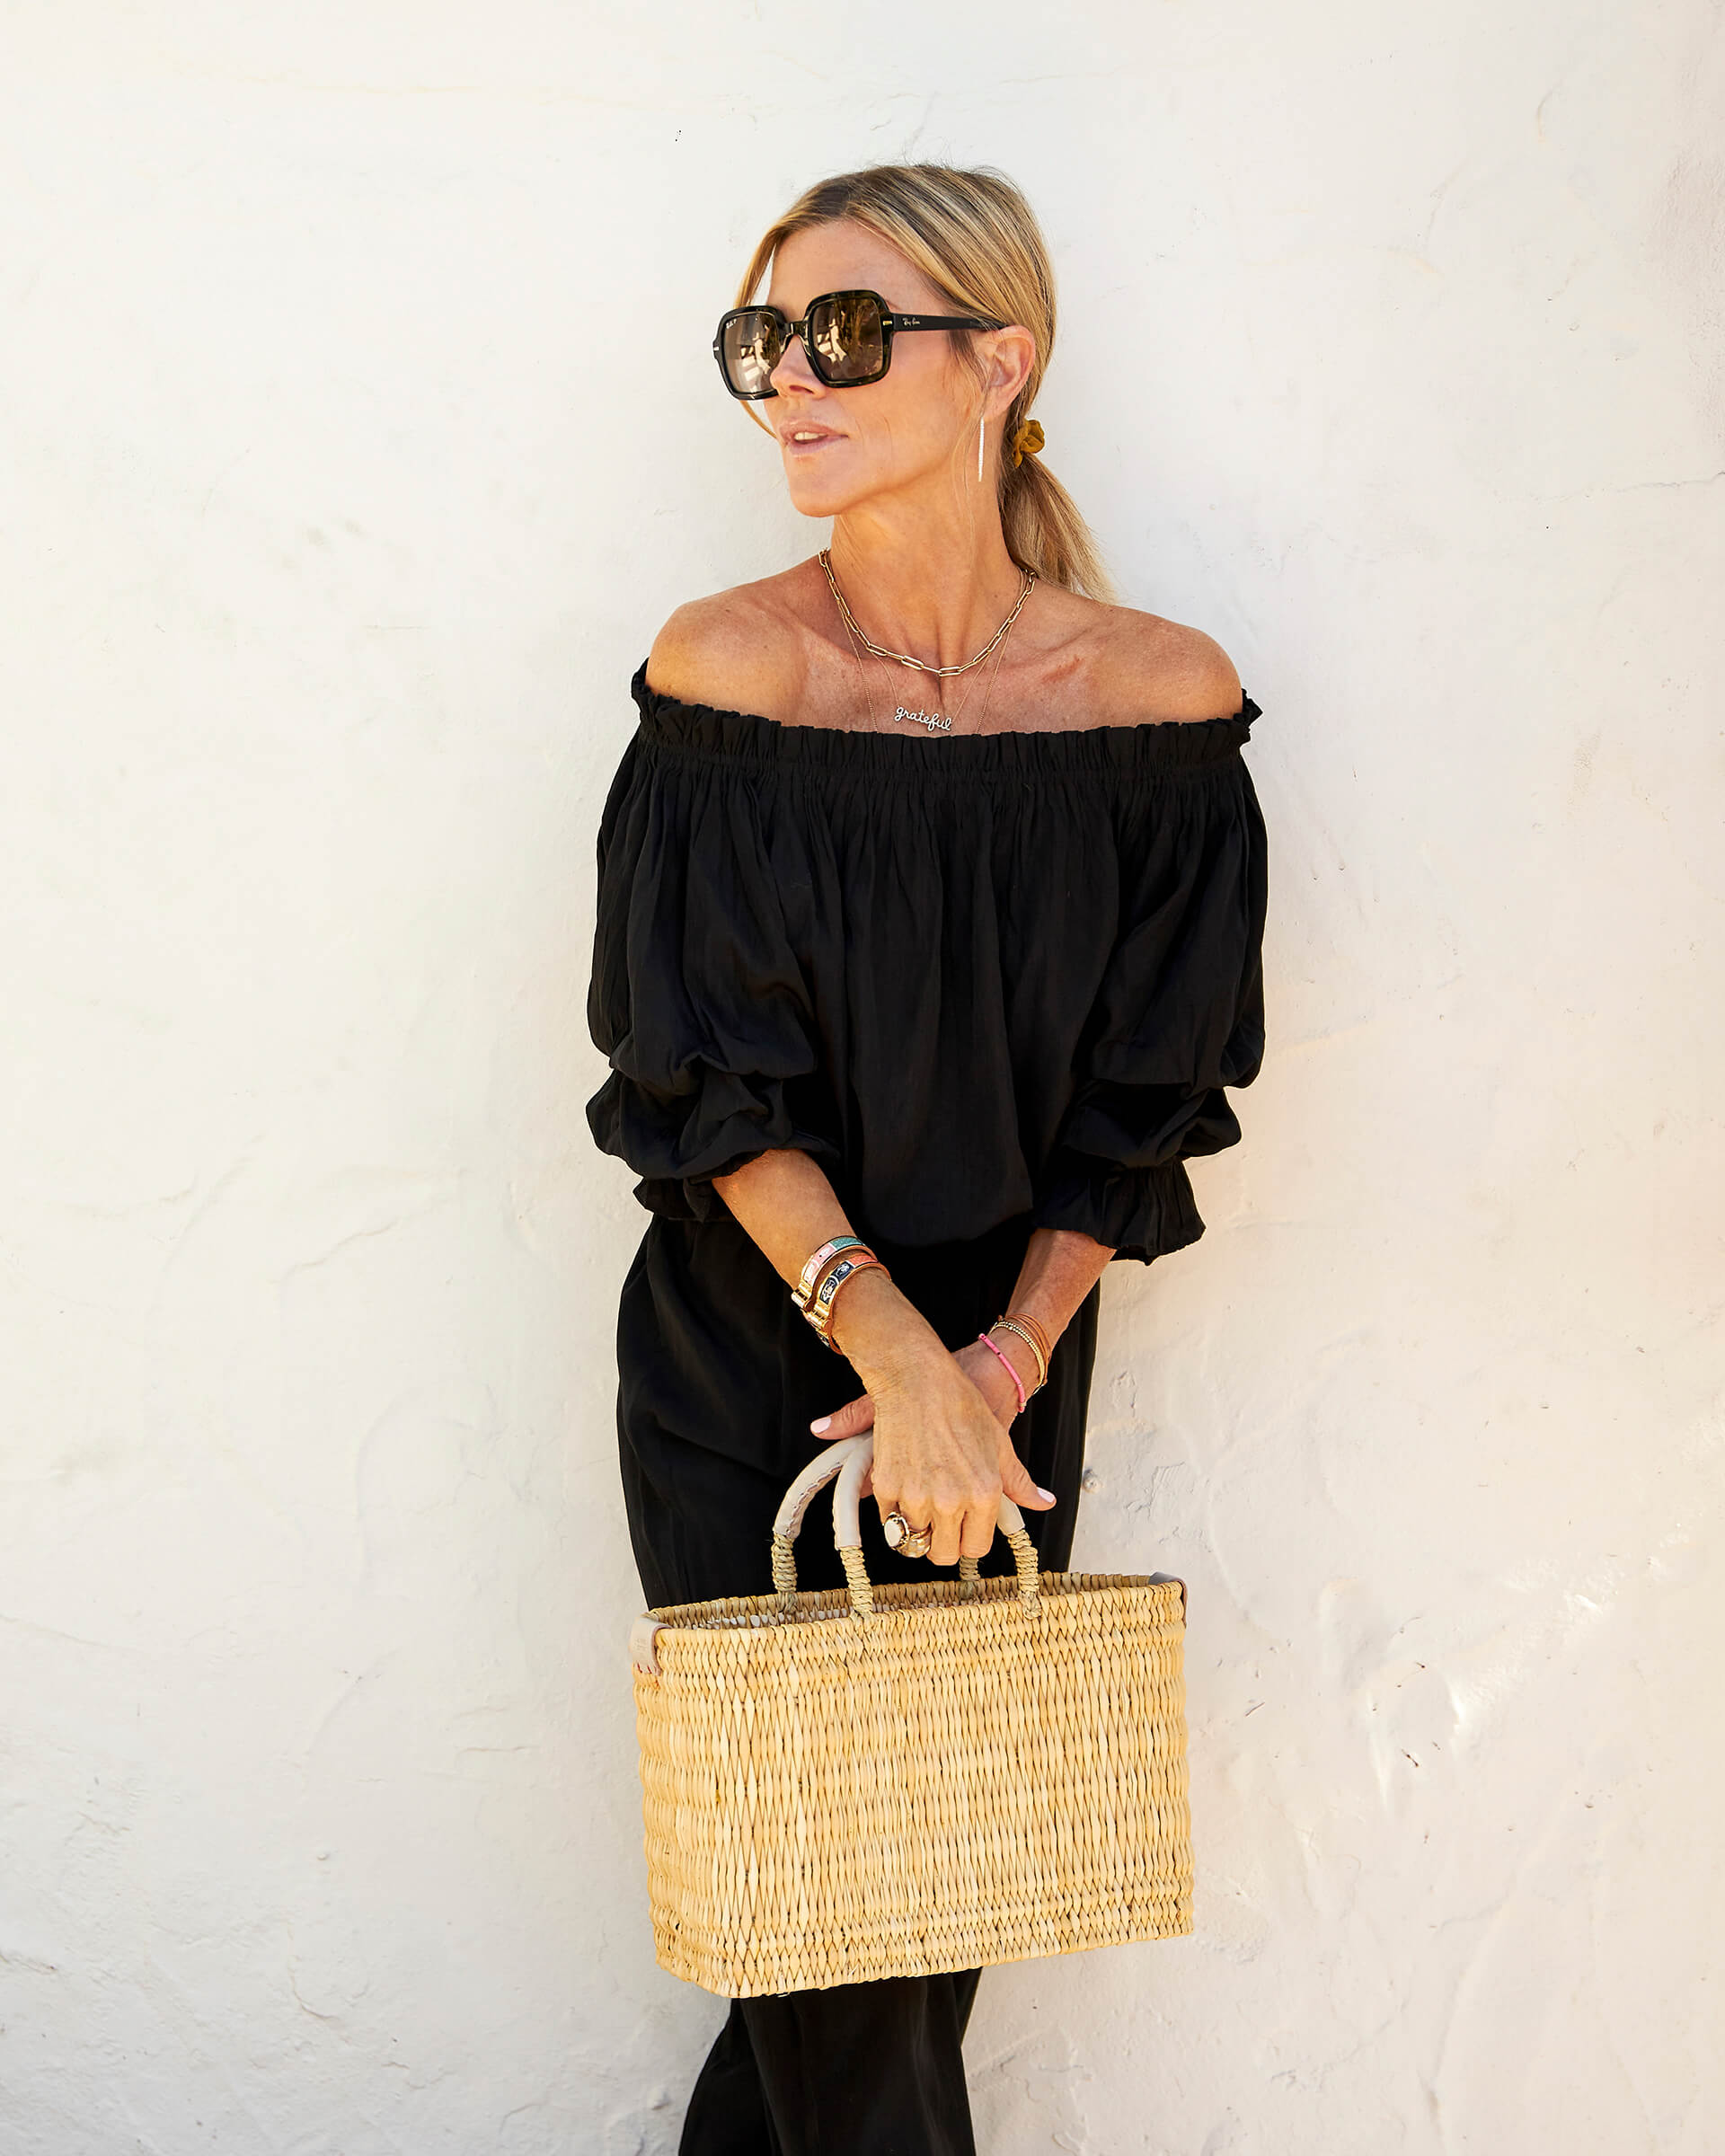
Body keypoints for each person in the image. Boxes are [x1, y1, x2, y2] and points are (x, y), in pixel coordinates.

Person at [585, 160, 1269, 2156]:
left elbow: (1149, 1101)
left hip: (1004, 1381)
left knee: (882, 1933)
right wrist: (901, 1370)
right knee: (837, 1953)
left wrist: (1000, 1364)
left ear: (1005, 361)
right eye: (765, 340)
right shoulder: (730, 676)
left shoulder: (1158, 701)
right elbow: (699, 1081)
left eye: (848, 333)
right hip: (753, 1373)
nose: (791, 380)